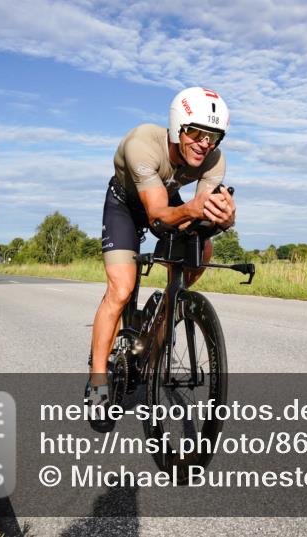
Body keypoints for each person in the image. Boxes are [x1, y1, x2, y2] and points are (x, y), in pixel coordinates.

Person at [86, 86, 236, 412]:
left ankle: (166, 311)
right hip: (126, 206)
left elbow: (201, 210)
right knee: (122, 288)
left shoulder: (214, 159)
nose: (204, 144)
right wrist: (195, 210)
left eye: (213, 137)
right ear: (177, 126)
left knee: (204, 248)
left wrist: (224, 219)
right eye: (196, 133)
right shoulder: (142, 143)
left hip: (165, 199)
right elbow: (156, 214)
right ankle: (98, 381)